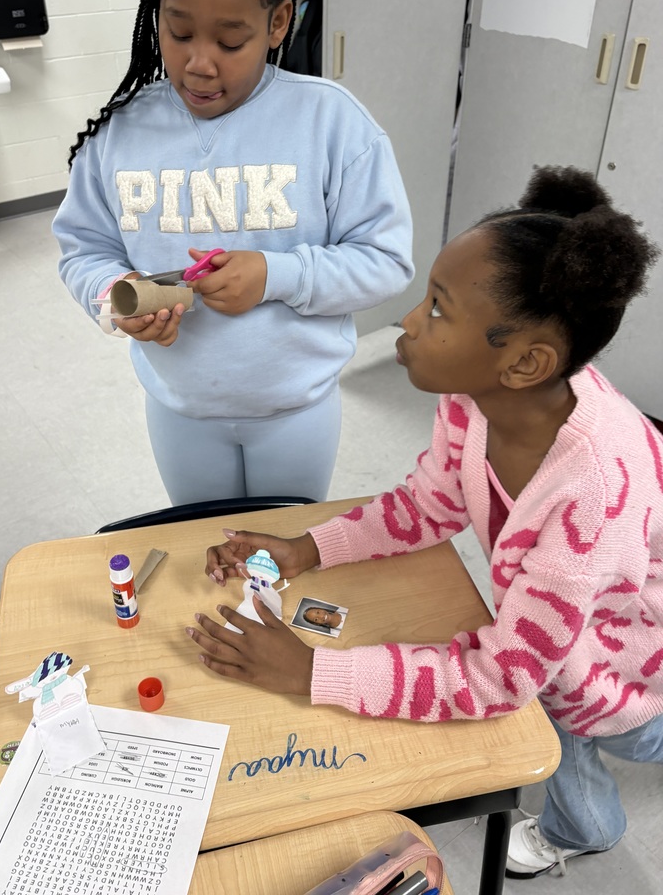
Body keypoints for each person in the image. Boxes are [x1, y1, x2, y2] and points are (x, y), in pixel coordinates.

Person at [187, 166, 663, 881]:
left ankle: (585, 825)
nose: (410, 321)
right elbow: (425, 505)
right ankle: (590, 820)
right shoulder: (478, 399)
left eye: (438, 309)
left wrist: (314, 670)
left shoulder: (589, 496)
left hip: (634, 666)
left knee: (587, 721)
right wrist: (305, 548)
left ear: (526, 361)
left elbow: (501, 677)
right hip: (572, 636)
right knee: (561, 710)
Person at [52, 0, 413, 505]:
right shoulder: (121, 133)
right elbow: (83, 250)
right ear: (156, 14)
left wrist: (277, 274)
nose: (198, 64)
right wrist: (118, 300)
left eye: (230, 41)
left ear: (278, 24)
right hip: (181, 407)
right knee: (204, 554)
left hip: (294, 406)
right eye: (179, 31)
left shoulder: (331, 123)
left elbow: (386, 262)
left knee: (280, 555)